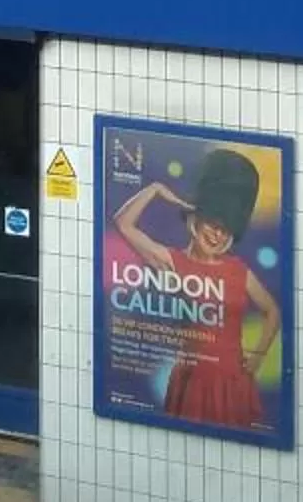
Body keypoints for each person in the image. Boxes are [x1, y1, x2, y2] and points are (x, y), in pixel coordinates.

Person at [110, 144, 279, 433]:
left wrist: (258, 357)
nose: (217, 234)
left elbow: (272, 310)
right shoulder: (173, 262)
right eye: (213, 224)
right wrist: (155, 189)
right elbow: (123, 223)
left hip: (232, 383)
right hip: (192, 381)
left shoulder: (239, 270)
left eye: (226, 229)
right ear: (194, 219)